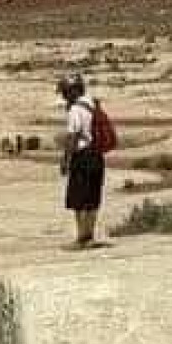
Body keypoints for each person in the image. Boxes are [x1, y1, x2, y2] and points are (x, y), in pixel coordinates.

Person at [57, 73, 105, 247]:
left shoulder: (75, 110)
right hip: (97, 155)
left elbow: (73, 136)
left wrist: (65, 160)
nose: (63, 96)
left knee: (78, 198)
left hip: (83, 156)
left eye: (65, 92)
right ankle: (90, 236)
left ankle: (81, 238)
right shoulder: (93, 103)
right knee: (92, 196)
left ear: (73, 91)